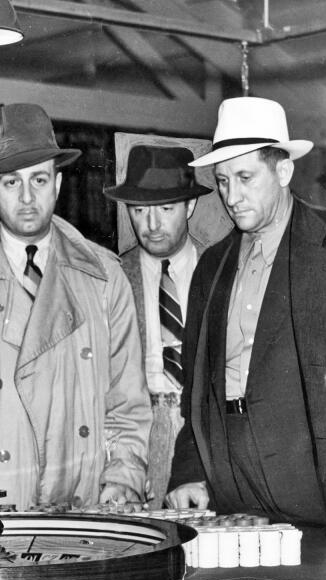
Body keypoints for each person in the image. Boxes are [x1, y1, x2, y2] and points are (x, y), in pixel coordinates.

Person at [167, 96, 326, 526]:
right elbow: (196, 386)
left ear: (283, 170)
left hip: (324, 480)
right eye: (223, 181)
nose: (232, 196)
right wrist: (190, 470)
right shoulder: (212, 264)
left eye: (245, 177)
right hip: (232, 479)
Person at [0, 103, 151, 512]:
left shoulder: (104, 278)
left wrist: (123, 478)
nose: (27, 197)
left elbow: (127, 402)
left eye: (39, 179)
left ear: (58, 184)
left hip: (83, 513)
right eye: (10, 182)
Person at [103, 144, 213, 507]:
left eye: (166, 209)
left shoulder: (221, 270)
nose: (151, 226)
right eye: (139, 211)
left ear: (190, 206)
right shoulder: (111, 280)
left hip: (204, 437)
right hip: (139, 436)